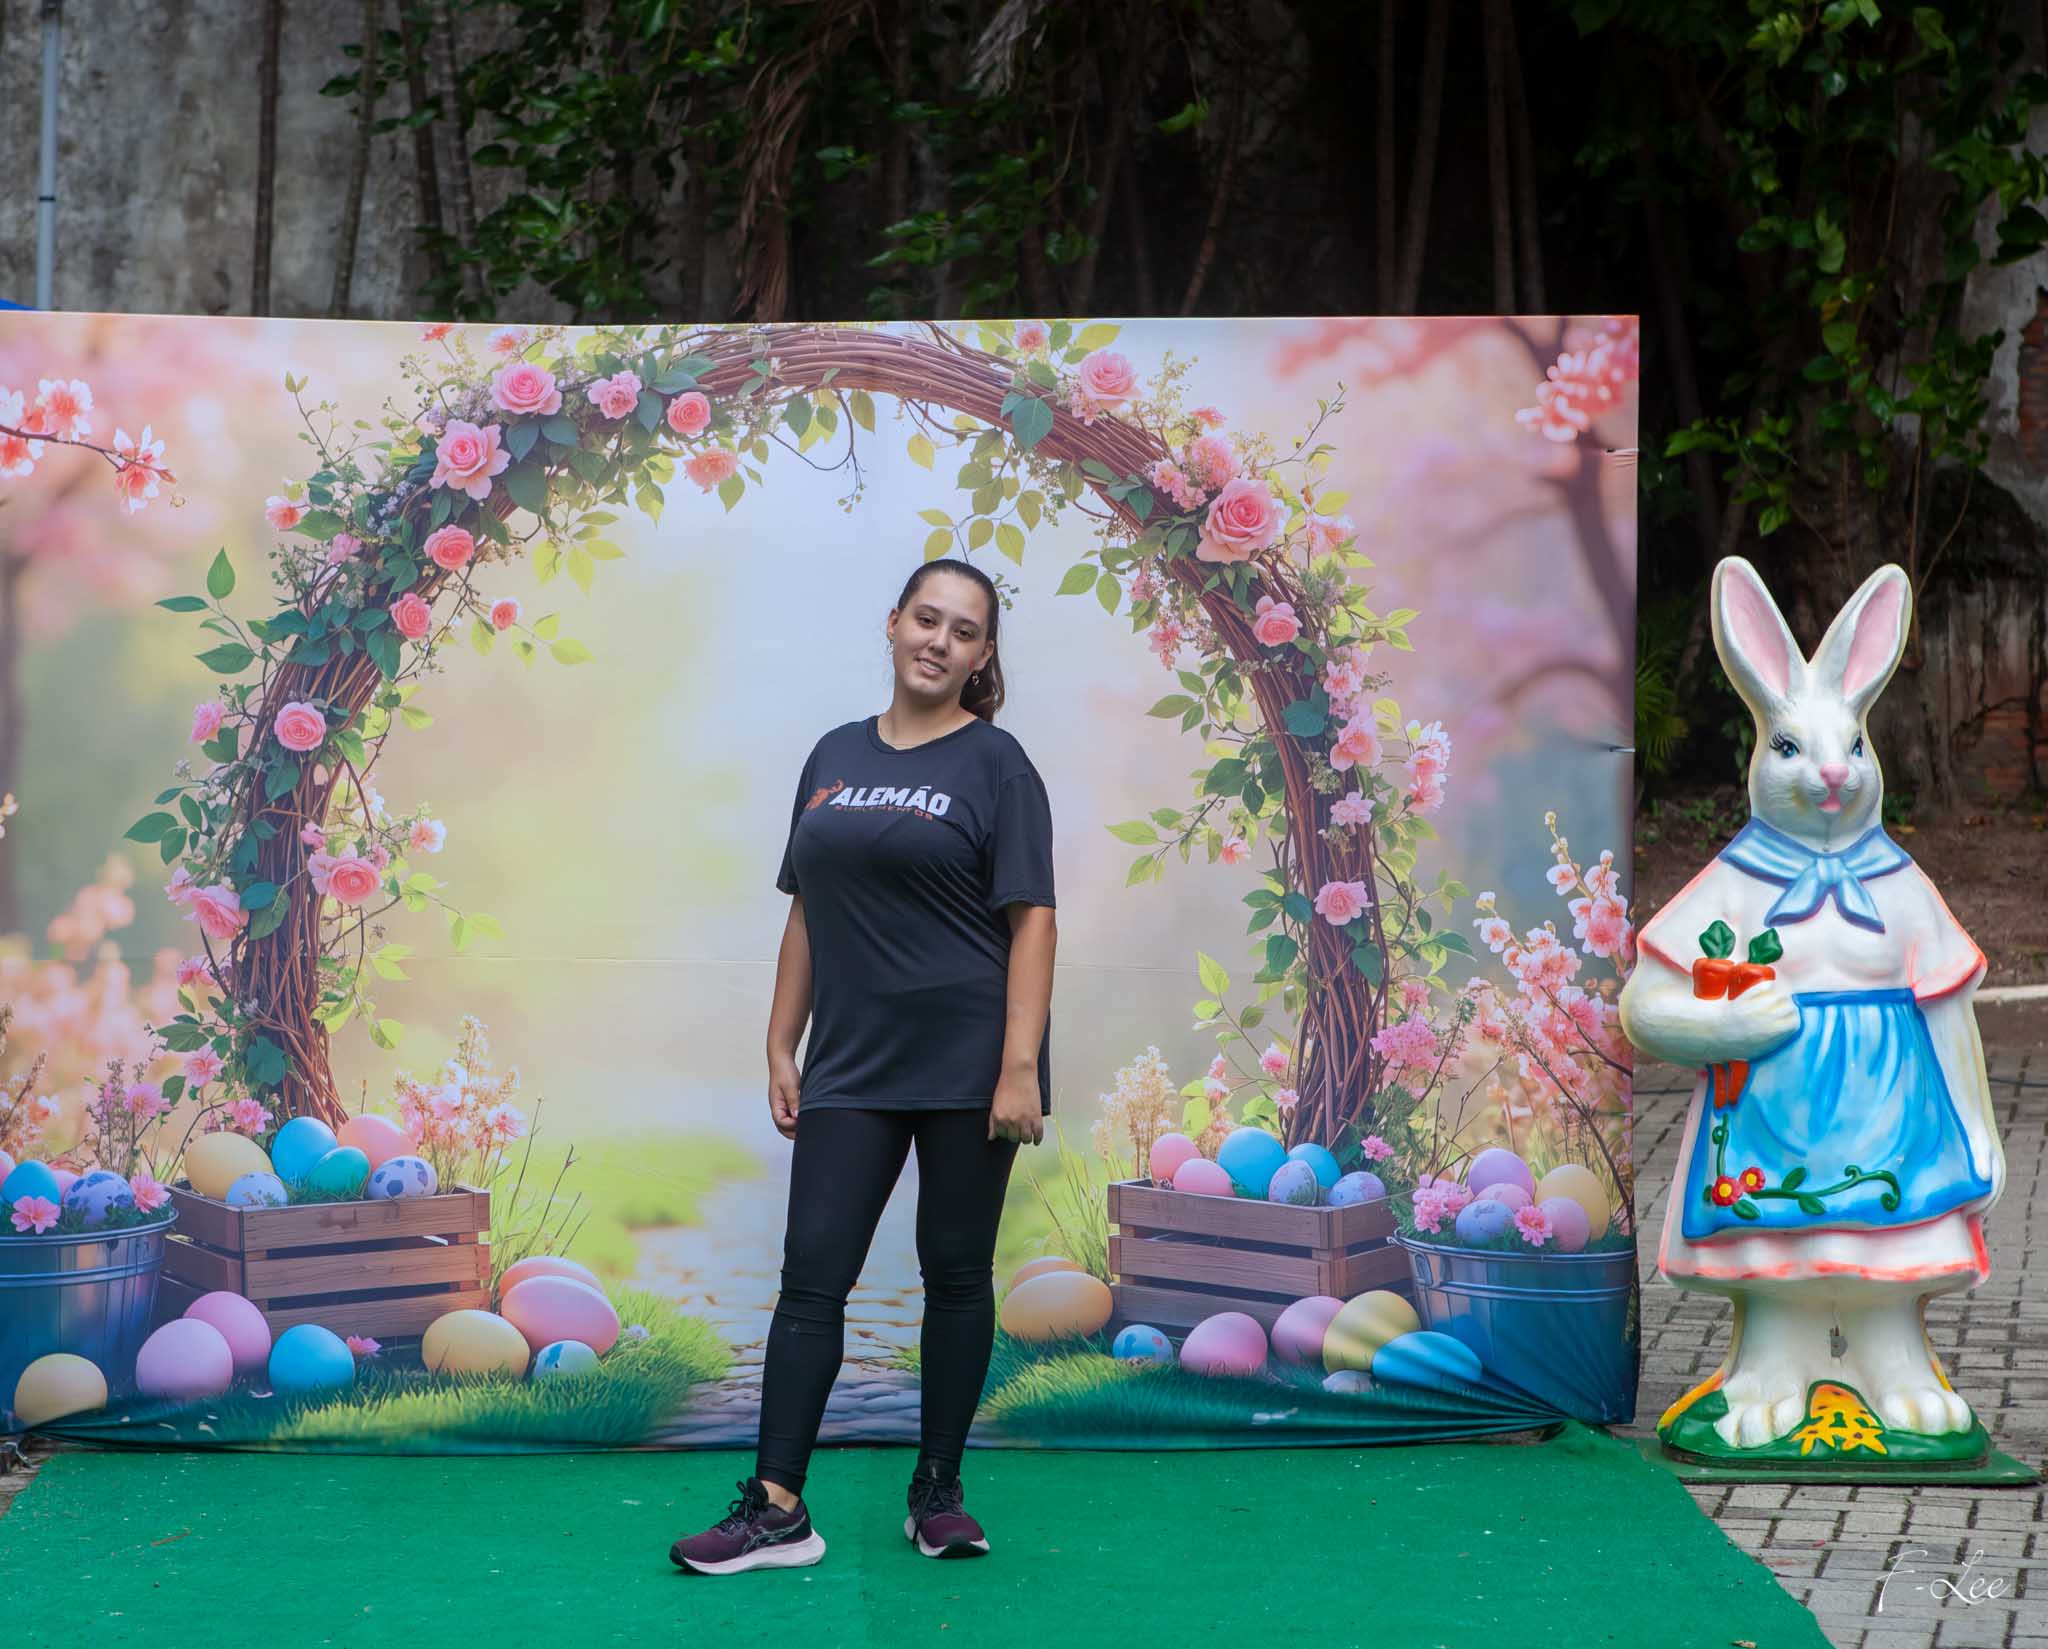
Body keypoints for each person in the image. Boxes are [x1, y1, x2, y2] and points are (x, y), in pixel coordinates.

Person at [670, 557, 1058, 1575]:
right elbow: (806, 907)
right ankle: (776, 1509)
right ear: (893, 624)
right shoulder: (833, 754)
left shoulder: (999, 763)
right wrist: (779, 1040)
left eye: (963, 630)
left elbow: (1032, 918)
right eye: (926, 618)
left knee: (955, 1271)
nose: (939, 640)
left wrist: (1018, 1064)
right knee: (813, 1274)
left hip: (971, 1057)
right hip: (851, 1057)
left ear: (981, 655)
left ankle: (937, 1490)